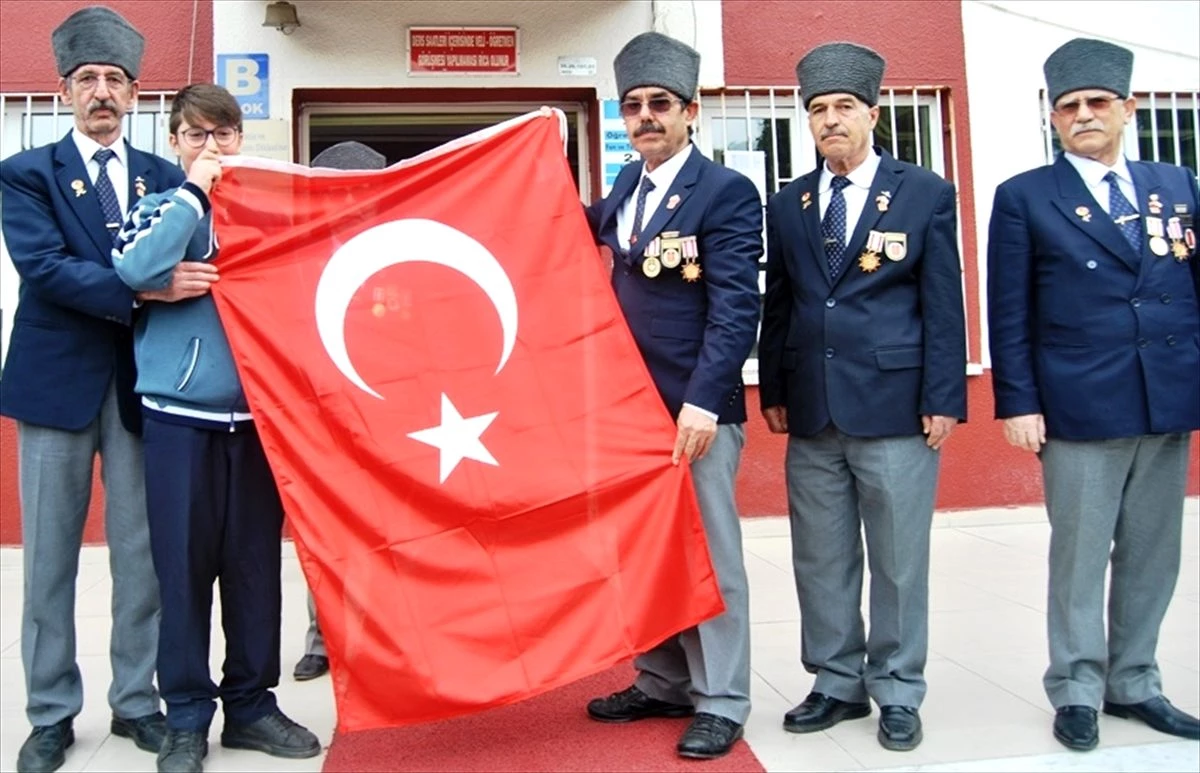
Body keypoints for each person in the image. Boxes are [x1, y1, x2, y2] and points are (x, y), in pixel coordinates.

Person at [0, 7, 209, 771]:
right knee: (49, 561)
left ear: (133, 92)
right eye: (87, 79)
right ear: (63, 92)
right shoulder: (24, 174)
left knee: (141, 556)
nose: (101, 92)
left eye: (114, 80)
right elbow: (45, 269)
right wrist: (145, 290)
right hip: (55, 386)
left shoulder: (164, 176)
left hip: (140, 386)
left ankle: (134, 701)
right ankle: (51, 711)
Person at [988, 38, 1200, 751]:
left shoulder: (1176, 184)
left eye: (1097, 103)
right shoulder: (1025, 196)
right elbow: (1008, 308)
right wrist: (1018, 401)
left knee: (1153, 551)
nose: (1083, 115)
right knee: (1080, 552)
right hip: (1079, 405)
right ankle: (1077, 685)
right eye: (1069, 106)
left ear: (1126, 108)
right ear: (1053, 119)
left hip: (1164, 398)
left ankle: (1135, 679)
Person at [757, 42, 966, 752]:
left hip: (897, 407)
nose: (830, 120)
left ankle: (899, 687)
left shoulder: (924, 192)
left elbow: (944, 304)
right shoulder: (790, 202)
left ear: (872, 114)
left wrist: (945, 395)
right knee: (820, 555)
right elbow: (778, 303)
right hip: (812, 409)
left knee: (900, 558)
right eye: (817, 110)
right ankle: (836, 682)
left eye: (843, 107)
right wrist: (775, 387)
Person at [111, 83, 321, 773]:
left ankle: (252, 706)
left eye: (223, 134)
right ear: (174, 141)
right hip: (179, 422)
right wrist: (194, 195)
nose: (211, 145)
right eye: (196, 134)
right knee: (183, 572)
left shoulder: (269, 217)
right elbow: (135, 268)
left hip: (259, 424)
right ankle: (187, 715)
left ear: (240, 139)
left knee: (255, 570)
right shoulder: (154, 209)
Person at [581, 31, 762, 761]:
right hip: (630, 412)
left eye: (660, 104)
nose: (646, 116)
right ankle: (661, 679)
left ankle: (722, 698)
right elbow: (557, 226)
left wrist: (704, 400)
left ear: (692, 111)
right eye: (633, 106)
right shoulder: (626, 186)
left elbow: (735, 308)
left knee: (711, 557)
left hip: (695, 412)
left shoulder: (726, 192)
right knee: (648, 556)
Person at [291, 140, 388, 683]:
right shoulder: (296, 254)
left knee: (394, 526)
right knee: (324, 528)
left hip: (392, 413)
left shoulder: (397, 246)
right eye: (332, 189)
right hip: (320, 412)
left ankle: (387, 633)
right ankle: (322, 639)